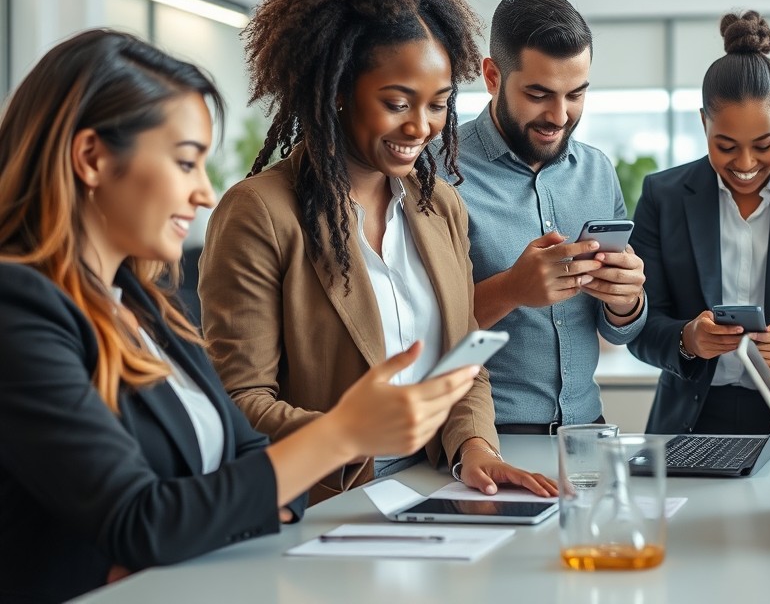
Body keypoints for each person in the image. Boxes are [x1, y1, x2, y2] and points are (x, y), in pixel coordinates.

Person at [0, 30, 481, 602]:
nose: (205, 193)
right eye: (185, 163)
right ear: (92, 158)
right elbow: (141, 519)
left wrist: (199, 518)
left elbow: (247, 456)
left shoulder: (145, 306)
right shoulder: (18, 306)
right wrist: (343, 432)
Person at [200, 0, 555, 504]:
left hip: (435, 486)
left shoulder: (439, 206)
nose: (422, 126)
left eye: (438, 103)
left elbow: (464, 362)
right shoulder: (262, 213)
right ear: (338, 92)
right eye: (397, 103)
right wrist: (352, 433)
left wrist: (477, 451)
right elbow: (238, 400)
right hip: (329, 500)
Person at [452, 0, 647, 433]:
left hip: (589, 430)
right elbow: (416, 332)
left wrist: (626, 301)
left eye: (576, 94)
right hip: (485, 437)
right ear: (492, 77)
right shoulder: (437, 175)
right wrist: (511, 290)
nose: (559, 115)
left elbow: (620, 332)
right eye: (539, 94)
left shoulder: (597, 171)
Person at [628, 11, 770, 435]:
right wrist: (688, 340)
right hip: (689, 418)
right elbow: (640, 323)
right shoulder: (663, 196)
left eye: (763, 145)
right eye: (725, 146)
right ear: (704, 122)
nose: (744, 164)